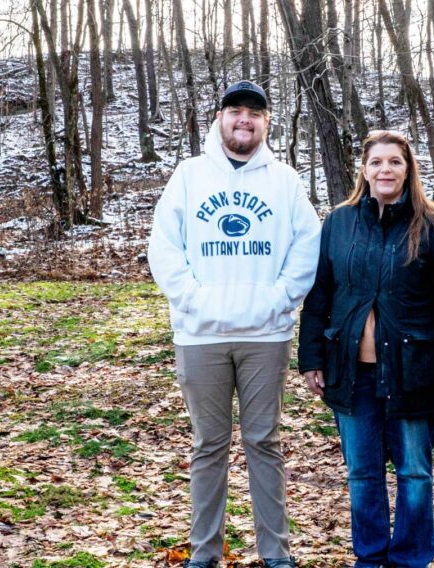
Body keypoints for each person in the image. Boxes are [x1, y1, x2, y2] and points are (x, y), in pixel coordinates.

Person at [148, 80, 320, 568]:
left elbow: (307, 245)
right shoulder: (189, 175)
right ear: (220, 118)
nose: (244, 121)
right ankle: (204, 554)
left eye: (254, 114)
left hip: (265, 335)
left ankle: (277, 555)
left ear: (267, 123)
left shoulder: (284, 181)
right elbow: (164, 247)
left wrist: (279, 299)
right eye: (236, 111)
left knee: (264, 442)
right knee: (209, 445)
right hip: (201, 335)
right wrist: (194, 301)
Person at [298, 130, 434, 568]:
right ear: (364, 169)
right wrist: (311, 357)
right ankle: (370, 558)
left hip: (414, 369)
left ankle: (411, 558)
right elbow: (321, 294)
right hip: (351, 370)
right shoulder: (339, 222)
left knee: (414, 471)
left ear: (408, 169)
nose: (385, 170)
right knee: (362, 473)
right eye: (377, 162)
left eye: (395, 162)